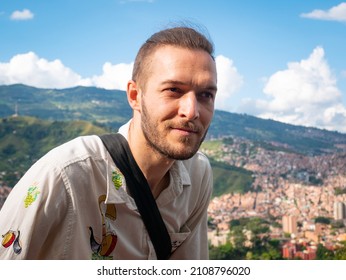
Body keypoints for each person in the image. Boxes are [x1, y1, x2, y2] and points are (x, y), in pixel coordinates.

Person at [0, 25, 217, 260]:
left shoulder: (197, 174)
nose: (192, 111)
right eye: (173, 90)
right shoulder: (65, 176)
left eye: (206, 94)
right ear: (135, 96)